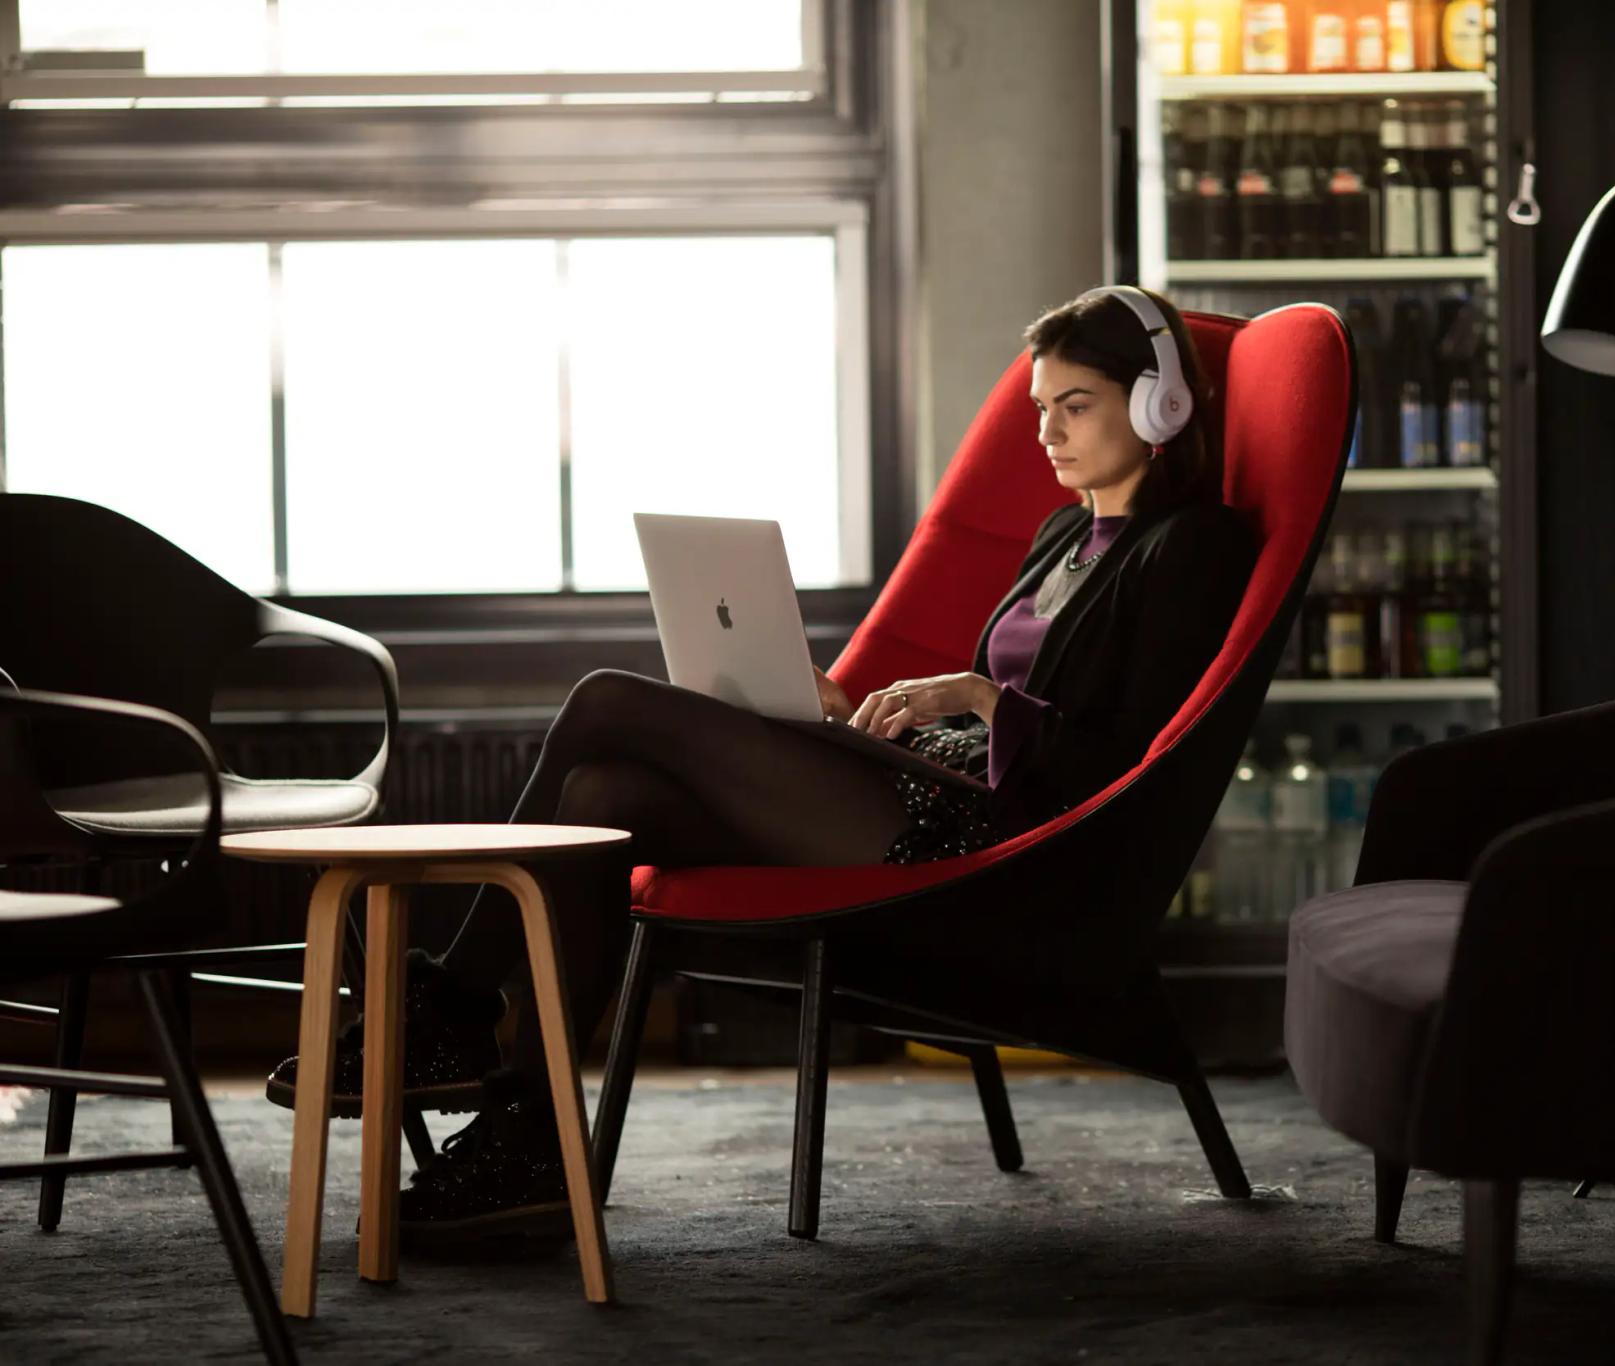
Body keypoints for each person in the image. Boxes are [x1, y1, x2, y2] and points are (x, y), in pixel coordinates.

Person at [264, 285, 1258, 1248]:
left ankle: (454, 1006)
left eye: (1074, 405)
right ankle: (528, 1134)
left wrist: (982, 699)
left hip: (1011, 846)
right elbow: (999, 716)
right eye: (1040, 407)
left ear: (1155, 401)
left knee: (607, 699)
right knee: (605, 794)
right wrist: (848, 716)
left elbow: (1121, 764)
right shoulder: (1060, 536)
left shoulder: (1190, 545)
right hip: (932, 785)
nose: (1046, 430)